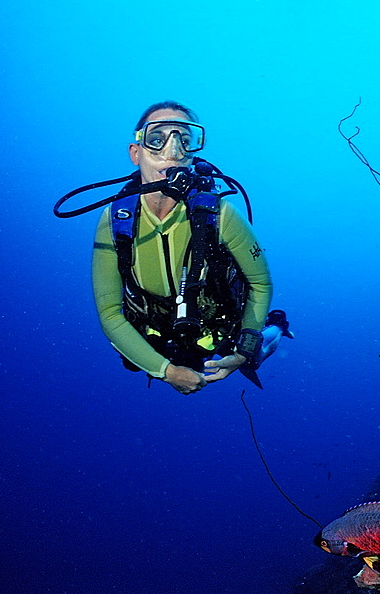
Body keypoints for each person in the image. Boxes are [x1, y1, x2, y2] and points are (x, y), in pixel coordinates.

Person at [91, 101, 289, 394]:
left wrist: (245, 351)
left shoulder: (221, 214)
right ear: (136, 153)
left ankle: (278, 327)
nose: (173, 151)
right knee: (133, 360)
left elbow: (260, 282)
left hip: (216, 322)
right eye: (156, 140)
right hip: (155, 326)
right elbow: (109, 312)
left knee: (253, 355)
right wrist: (166, 371)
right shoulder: (115, 221)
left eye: (185, 140)